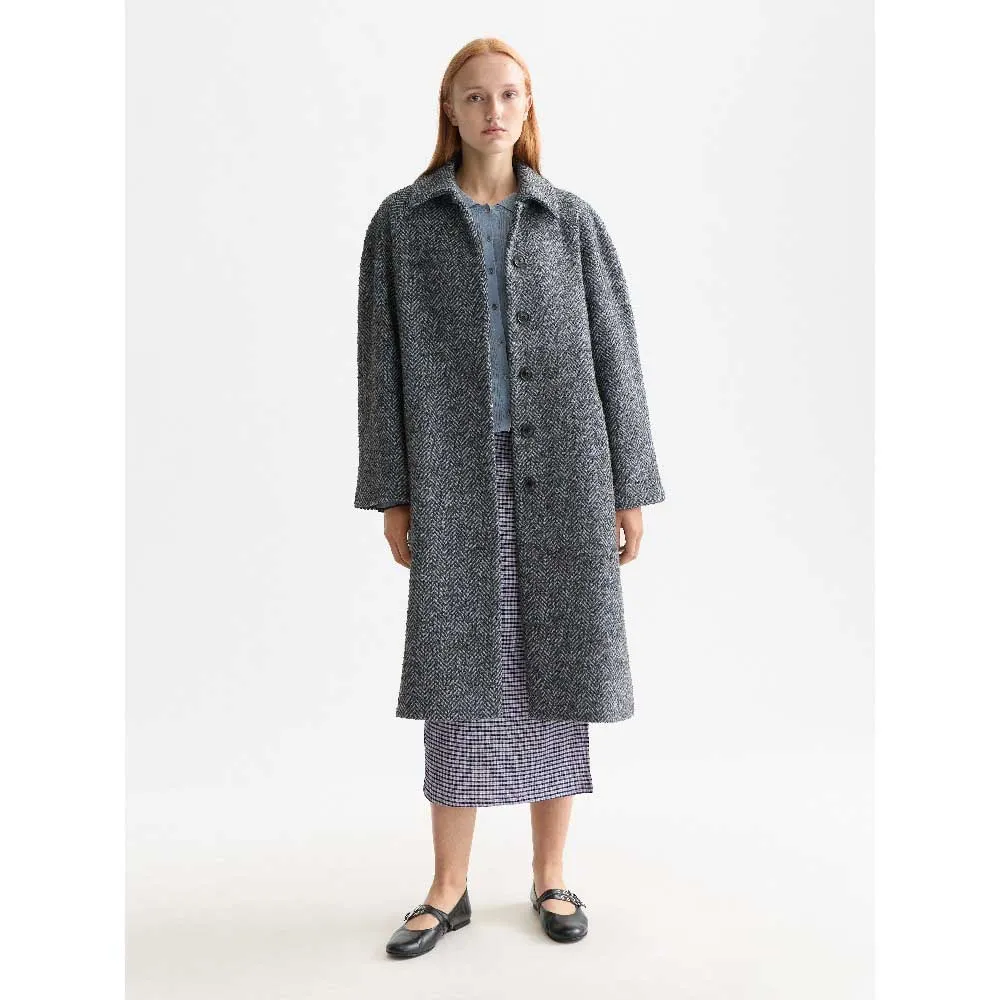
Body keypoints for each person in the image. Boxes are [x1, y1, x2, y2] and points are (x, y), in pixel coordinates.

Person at [354, 38, 666, 960]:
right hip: (453, 476)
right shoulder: (402, 225)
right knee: (458, 674)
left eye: (510, 95)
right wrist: (392, 492)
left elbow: (617, 355)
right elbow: (379, 370)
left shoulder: (572, 223)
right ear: (449, 109)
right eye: (475, 97)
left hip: (567, 472)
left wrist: (629, 485)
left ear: (528, 107)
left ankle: (551, 875)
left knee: (559, 667)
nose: (494, 111)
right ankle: (447, 887)